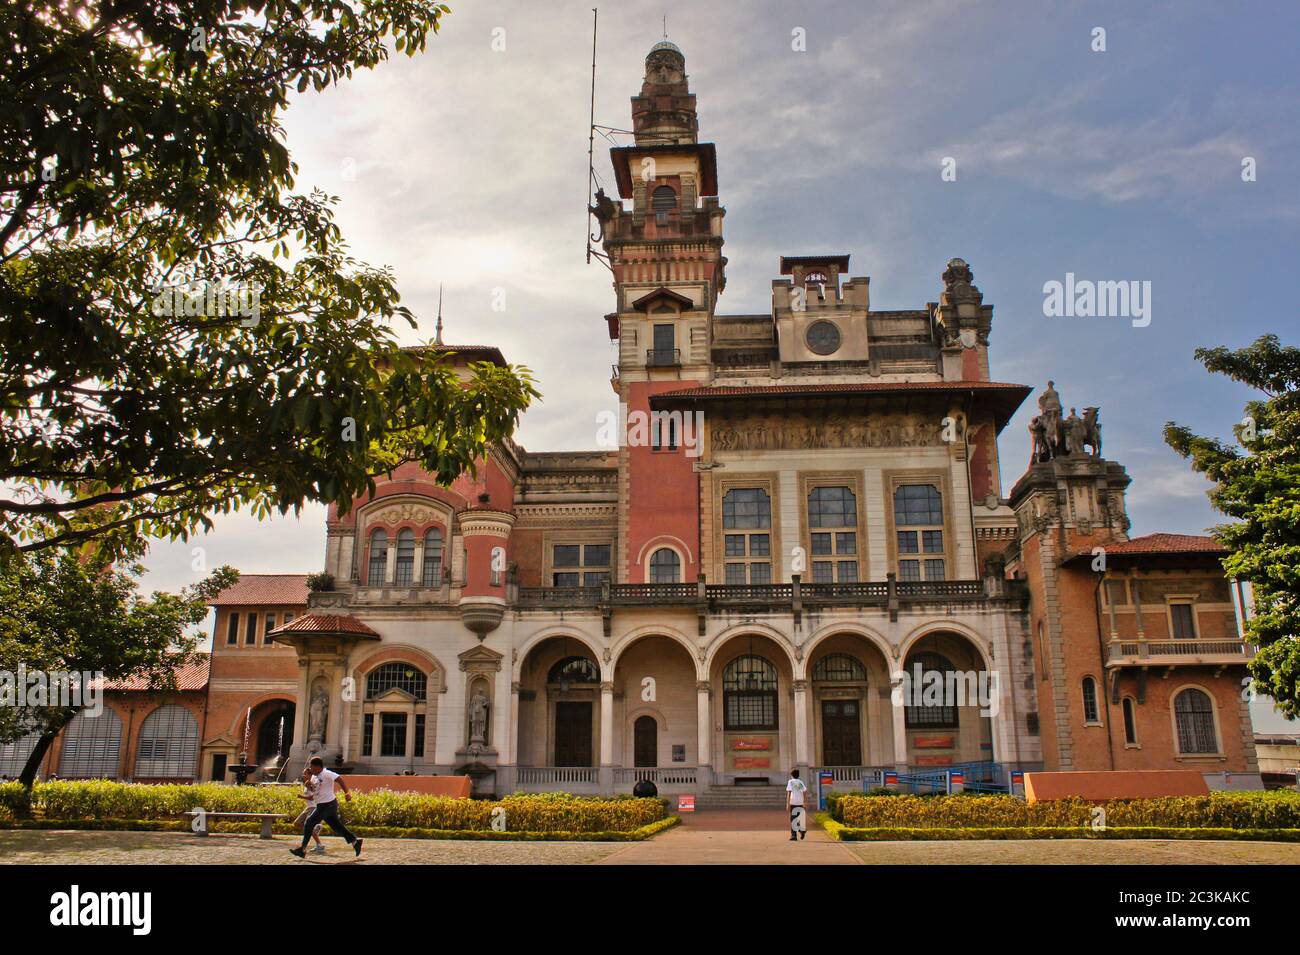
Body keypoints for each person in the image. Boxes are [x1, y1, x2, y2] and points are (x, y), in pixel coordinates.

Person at [289, 757, 363, 859]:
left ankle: (302, 849)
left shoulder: (327, 773)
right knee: (336, 827)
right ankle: (355, 841)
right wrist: (308, 785)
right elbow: (315, 792)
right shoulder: (314, 777)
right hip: (321, 805)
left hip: (329, 804)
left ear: (318, 766)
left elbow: (340, 779)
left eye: (312, 767)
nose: (311, 769)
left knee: (309, 823)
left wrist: (347, 793)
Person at [292, 766, 326, 854]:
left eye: (305, 773)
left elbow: (312, 797)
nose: (304, 775)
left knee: (308, 826)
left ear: (310, 774)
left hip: (313, 807)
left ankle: (319, 845)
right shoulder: (307, 783)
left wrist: (301, 796)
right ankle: (315, 830)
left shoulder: (311, 783)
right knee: (297, 823)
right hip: (308, 808)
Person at [786, 768, 808, 841]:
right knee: (798, 818)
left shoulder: (791, 782)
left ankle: (794, 836)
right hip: (800, 802)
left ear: (791, 775)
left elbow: (789, 792)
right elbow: (804, 792)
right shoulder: (800, 782)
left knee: (792, 819)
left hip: (793, 802)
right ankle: (802, 830)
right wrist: (805, 802)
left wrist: (787, 803)